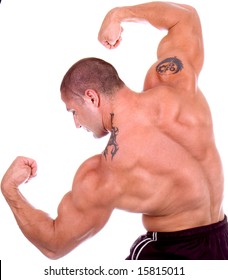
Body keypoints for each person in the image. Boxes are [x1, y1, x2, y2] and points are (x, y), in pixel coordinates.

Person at [1, 1, 228, 260]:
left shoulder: (105, 172)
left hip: (172, 256)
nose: (76, 123)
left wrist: (11, 191)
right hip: (223, 241)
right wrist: (119, 14)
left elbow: (54, 243)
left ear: (91, 97)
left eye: (73, 111)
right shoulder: (176, 82)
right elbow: (185, 18)